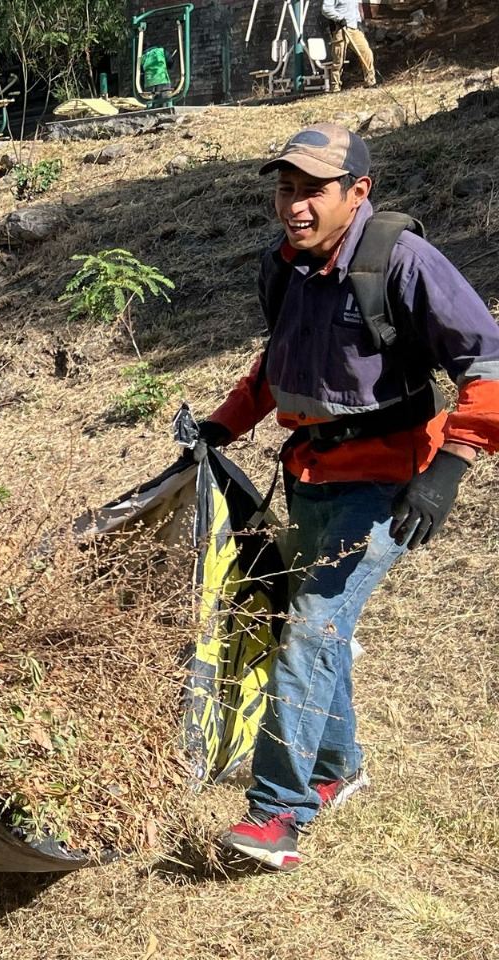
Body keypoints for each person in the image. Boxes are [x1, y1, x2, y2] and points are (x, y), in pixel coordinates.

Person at [197, 124, 499, 871]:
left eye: (313, 190)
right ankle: (338, 769)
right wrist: (223, 425)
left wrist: (450, 469)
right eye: (286, 188)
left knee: (309, 629)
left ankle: (277, 815)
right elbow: (279, 365)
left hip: (386, 486)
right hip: (310, 479)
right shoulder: (287, 266)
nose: (295, 205)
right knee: (314, 632)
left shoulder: (401, 259)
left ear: (357, 192)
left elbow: (489, 364)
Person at [322, 0, 377, 91]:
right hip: (340, 29)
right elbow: (325, 9)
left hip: (354, 29)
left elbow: (355, 9)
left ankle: (370, 80)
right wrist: (339, 18)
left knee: (367, 53)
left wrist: (359, 22)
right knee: (338, 59)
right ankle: (335, 87)